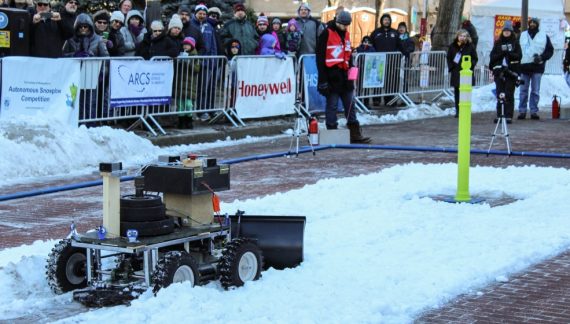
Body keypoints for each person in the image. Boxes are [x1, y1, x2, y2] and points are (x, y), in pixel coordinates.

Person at [316, 10, 371, 144]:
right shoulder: (326, 33)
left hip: (345, 76)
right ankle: (332, 133)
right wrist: (322, 80)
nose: (345, 27)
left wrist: (352, 70)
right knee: (332, 105)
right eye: (343, 25)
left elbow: (348, 54)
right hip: (331, 75)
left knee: (350, 104)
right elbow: (320, 57)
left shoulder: (346, 34)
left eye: (347, 25)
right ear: (337, 21)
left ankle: (355, 133)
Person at [517, 17, 554, 120]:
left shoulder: (544, 36)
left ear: (538, 24)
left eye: (534, 22)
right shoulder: (522, 35)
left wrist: (541, 57)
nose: (532, 24)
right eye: (531, 22)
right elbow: (516, 49)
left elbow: (550, 51)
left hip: (537, 68)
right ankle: (522, 111)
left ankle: (534, 111)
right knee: (523, 91)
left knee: (535, 91)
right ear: (529, 24)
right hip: (524, 67)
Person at [489, 21, 522, 124]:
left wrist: (509, 54)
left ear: (511, 32)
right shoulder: (498, 43)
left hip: (511, 72)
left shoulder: (515, 43)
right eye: (505, 31)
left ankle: (508, 115)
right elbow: (492, 57)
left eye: (508, 31)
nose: (506, 33)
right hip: (499, 71)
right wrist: (501, 54)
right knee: (500, 93)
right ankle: (500, 114)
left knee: (509, 93)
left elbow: (519, 56)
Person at [370, 14, 402, 106]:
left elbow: (400, 45)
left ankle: (389, 99)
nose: (386, 21)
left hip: (391, 61)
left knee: (390, 81)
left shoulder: (395, 33)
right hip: (379, 61)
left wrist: (406, 52)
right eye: (385, 20)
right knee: (378, 79)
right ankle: (376, 99)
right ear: (381, 21)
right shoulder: (375, 33)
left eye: (388, 20)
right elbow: (371, 45)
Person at [446, 29, 477, 118]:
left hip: (466, 72)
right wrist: (451, 68)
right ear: (457, 36)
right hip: (456, 72)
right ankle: (458, 110)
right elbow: (449, 58)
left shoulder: (470, 46)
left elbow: (475, 58)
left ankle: (465, 109)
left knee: (466, 93)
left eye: (464, 36)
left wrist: (470, 66)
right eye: (461, 36)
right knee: (457, 92)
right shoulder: (453, 46)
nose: (462, 38)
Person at [176, 36, 200, 130]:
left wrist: (188, 62)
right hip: (180, 83)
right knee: (180, 104)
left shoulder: (195, 56)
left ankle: (189, 120)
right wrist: (178, 61)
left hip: (190, 84)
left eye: (188, 45)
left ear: (192, 46)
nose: (185, 46)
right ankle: (181, 121)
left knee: (188, 104)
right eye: (184, 44)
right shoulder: (180, 54)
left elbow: (197, 69)